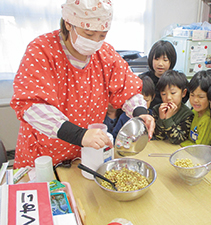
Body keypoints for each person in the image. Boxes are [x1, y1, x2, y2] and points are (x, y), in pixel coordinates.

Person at [10, 0, 155, 169]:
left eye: (102, 35)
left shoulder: (105, 54)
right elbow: (33, 106)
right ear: (68, 23)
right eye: (88, 34)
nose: (95, 41)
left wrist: (140, 113)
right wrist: (80, 135)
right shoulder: (41, 51)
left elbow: (126, 88)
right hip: (43, 155)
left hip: (83, 153)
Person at [140, 40, 189, 109]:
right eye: (156, 59)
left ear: (171, 61)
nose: (160, 64)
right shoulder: (143, 80)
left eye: (165, 60)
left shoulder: (177, 79)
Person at [152, 70, 194, 144]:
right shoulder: (157, 110)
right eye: (163, 94)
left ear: (183, 93)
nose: (168, 97)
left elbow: (177, 140)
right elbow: (158, 137)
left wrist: (168, 119)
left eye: (173, 93)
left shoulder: (187, 114)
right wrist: (161, 118)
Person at [181, 71, 211, 147]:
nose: (195, 100)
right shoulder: (194, 111)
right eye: (192, 95)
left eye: (201, 97)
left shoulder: (207, 120)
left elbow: (200, 149)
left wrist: (182, 143)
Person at [112, 74, 156, 140]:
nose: (142, 105)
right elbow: (115, 136)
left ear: (153, 97)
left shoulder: (153, 115)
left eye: (146, 101)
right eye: (137, 101)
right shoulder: (124, 117)